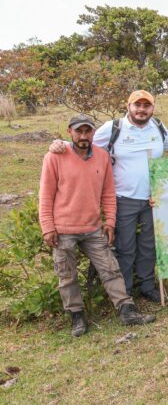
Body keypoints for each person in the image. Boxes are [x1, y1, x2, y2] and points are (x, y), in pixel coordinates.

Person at [49, 90, 168, 302]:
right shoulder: (114, 128)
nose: (141, 110)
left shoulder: (159, 127)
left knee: (149, 245)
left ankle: (147, 285)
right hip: (123, 198)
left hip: (153, 199)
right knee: (125, 248)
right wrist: (58, 143)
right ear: (128, 106)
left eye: (146, 106)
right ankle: (124, 293)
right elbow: (83, 142)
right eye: (137, 105)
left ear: (152, 108)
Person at [39, 114, 156, 336]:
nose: (83, 136)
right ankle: (77, 317)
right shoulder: (54, 157)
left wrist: (109, 221)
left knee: (110, 268)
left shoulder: (102, 157)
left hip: (93, 227)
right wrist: (48, 227)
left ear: (94, 133)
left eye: (87, 131)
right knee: (66, 275)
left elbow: (109, 194)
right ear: (70, 132)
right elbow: (46, 195)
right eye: (79, 131)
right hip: (63, 229)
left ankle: (126, 310)